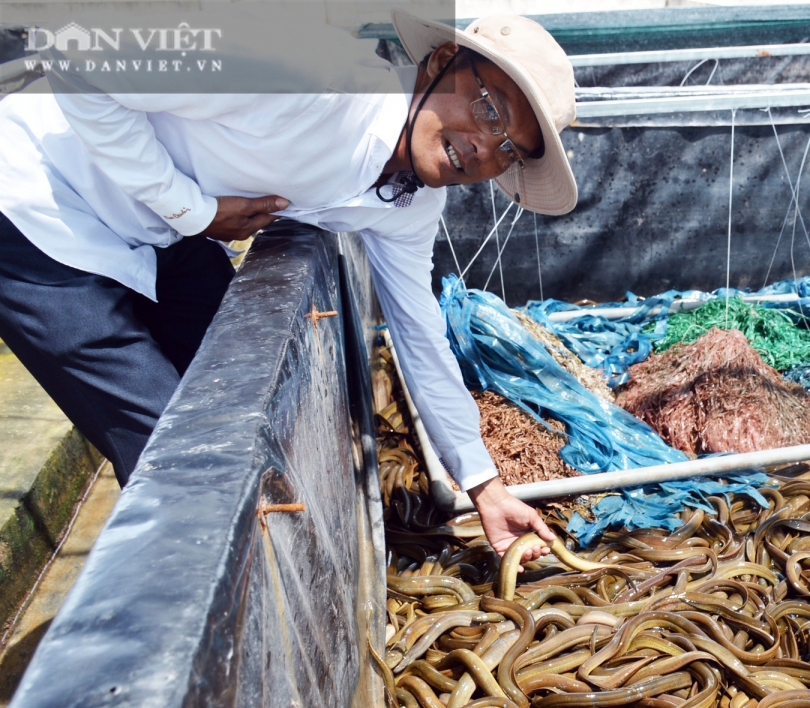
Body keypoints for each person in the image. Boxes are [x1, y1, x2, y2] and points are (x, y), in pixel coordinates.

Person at [0, 11, 573, 560]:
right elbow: (80, 59)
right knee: (168, 458)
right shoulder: (312, 79)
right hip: (40, 207)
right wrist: (192, 210)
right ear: (442, 61)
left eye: (509, 150)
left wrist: (483, 484)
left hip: (160, 235)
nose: (484, 147)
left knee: (243, 400)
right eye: (490, 110)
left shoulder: (412, 200)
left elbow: (418, 331)